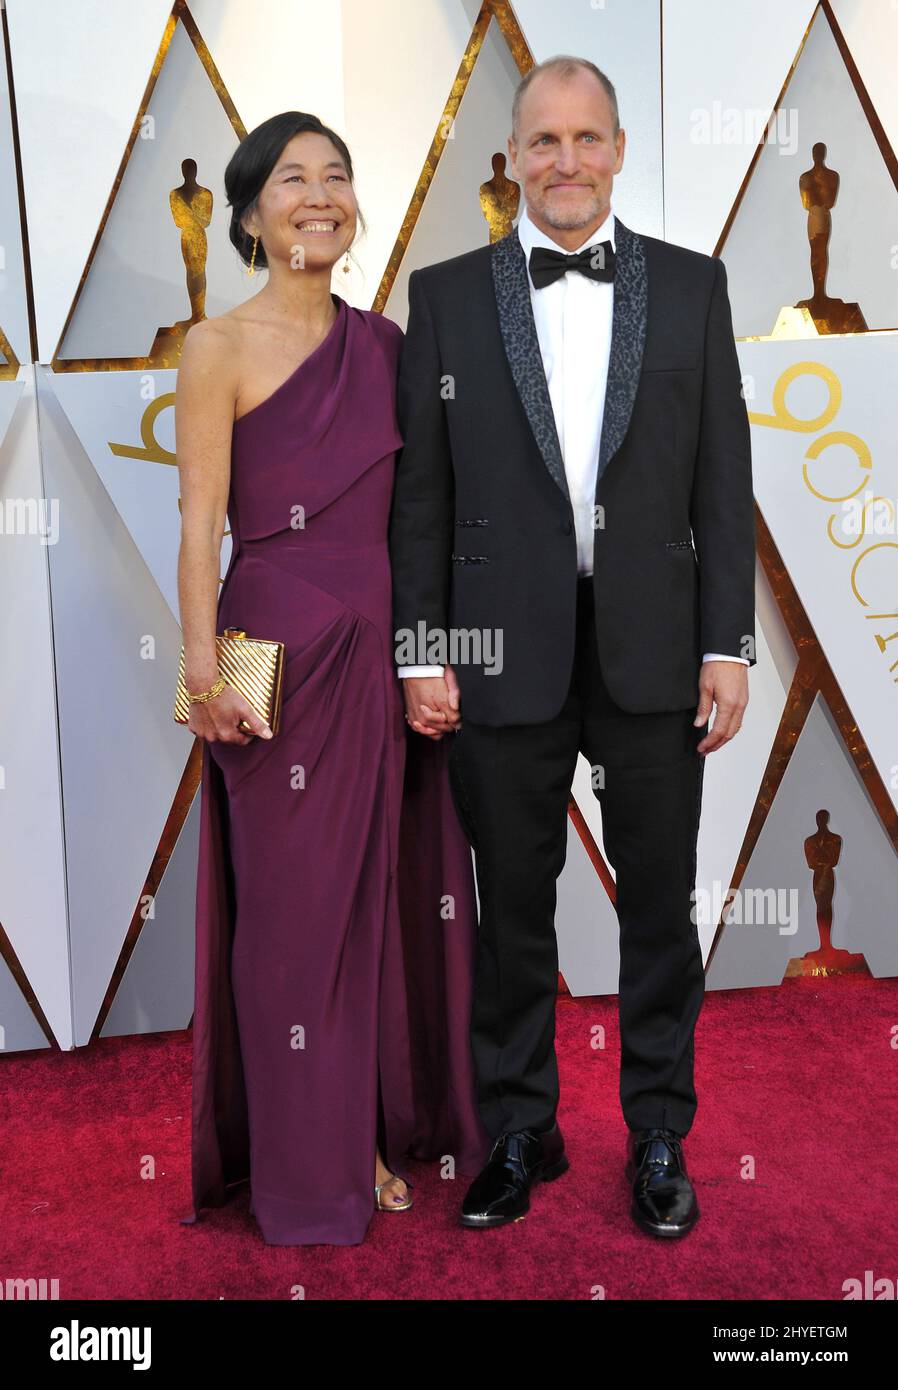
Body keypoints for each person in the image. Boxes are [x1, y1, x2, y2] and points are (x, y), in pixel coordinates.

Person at [389, 57, 756, 1238]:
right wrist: (422, 646)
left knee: (658, 904)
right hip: (500, 649)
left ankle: (658, 1129)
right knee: (512, 912)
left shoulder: (695, 288)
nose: (564, 161)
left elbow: (722, 478)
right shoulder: (443, 297)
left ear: (618, 151)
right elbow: (423, 502)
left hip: (656, 646)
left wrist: (728, 640)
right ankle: (518, 1127)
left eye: (586, 138)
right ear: (511, 155)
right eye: (542, 140)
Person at [175, 111, 489, 1247]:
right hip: (274, 651)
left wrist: (428, 652)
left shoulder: (390, 345)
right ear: (252, 214)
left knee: (382, 898)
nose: (320, 195)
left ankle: (366, 1123)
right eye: (292, 180)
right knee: (293, 916)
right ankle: (310, 1165)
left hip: (383, 645)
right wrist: (200, 667)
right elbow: (199, 523)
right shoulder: (214, 346)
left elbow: (419, 518)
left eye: (337, 177)